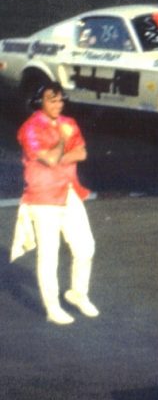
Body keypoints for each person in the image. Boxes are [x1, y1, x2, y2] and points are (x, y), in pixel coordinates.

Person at [13, 84, 95, 325]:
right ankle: (52, 308)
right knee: (49, 255)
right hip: (43, 198)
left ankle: (77, 294)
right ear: (40, 102)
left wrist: (59, 155)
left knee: (86, 247)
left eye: (60, 100)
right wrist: (62, 142)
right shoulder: (29, 129)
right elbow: (48, 158)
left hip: (69, 192)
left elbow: (81, 153)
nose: (58, 105)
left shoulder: (68, 121)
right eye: (52, 100)